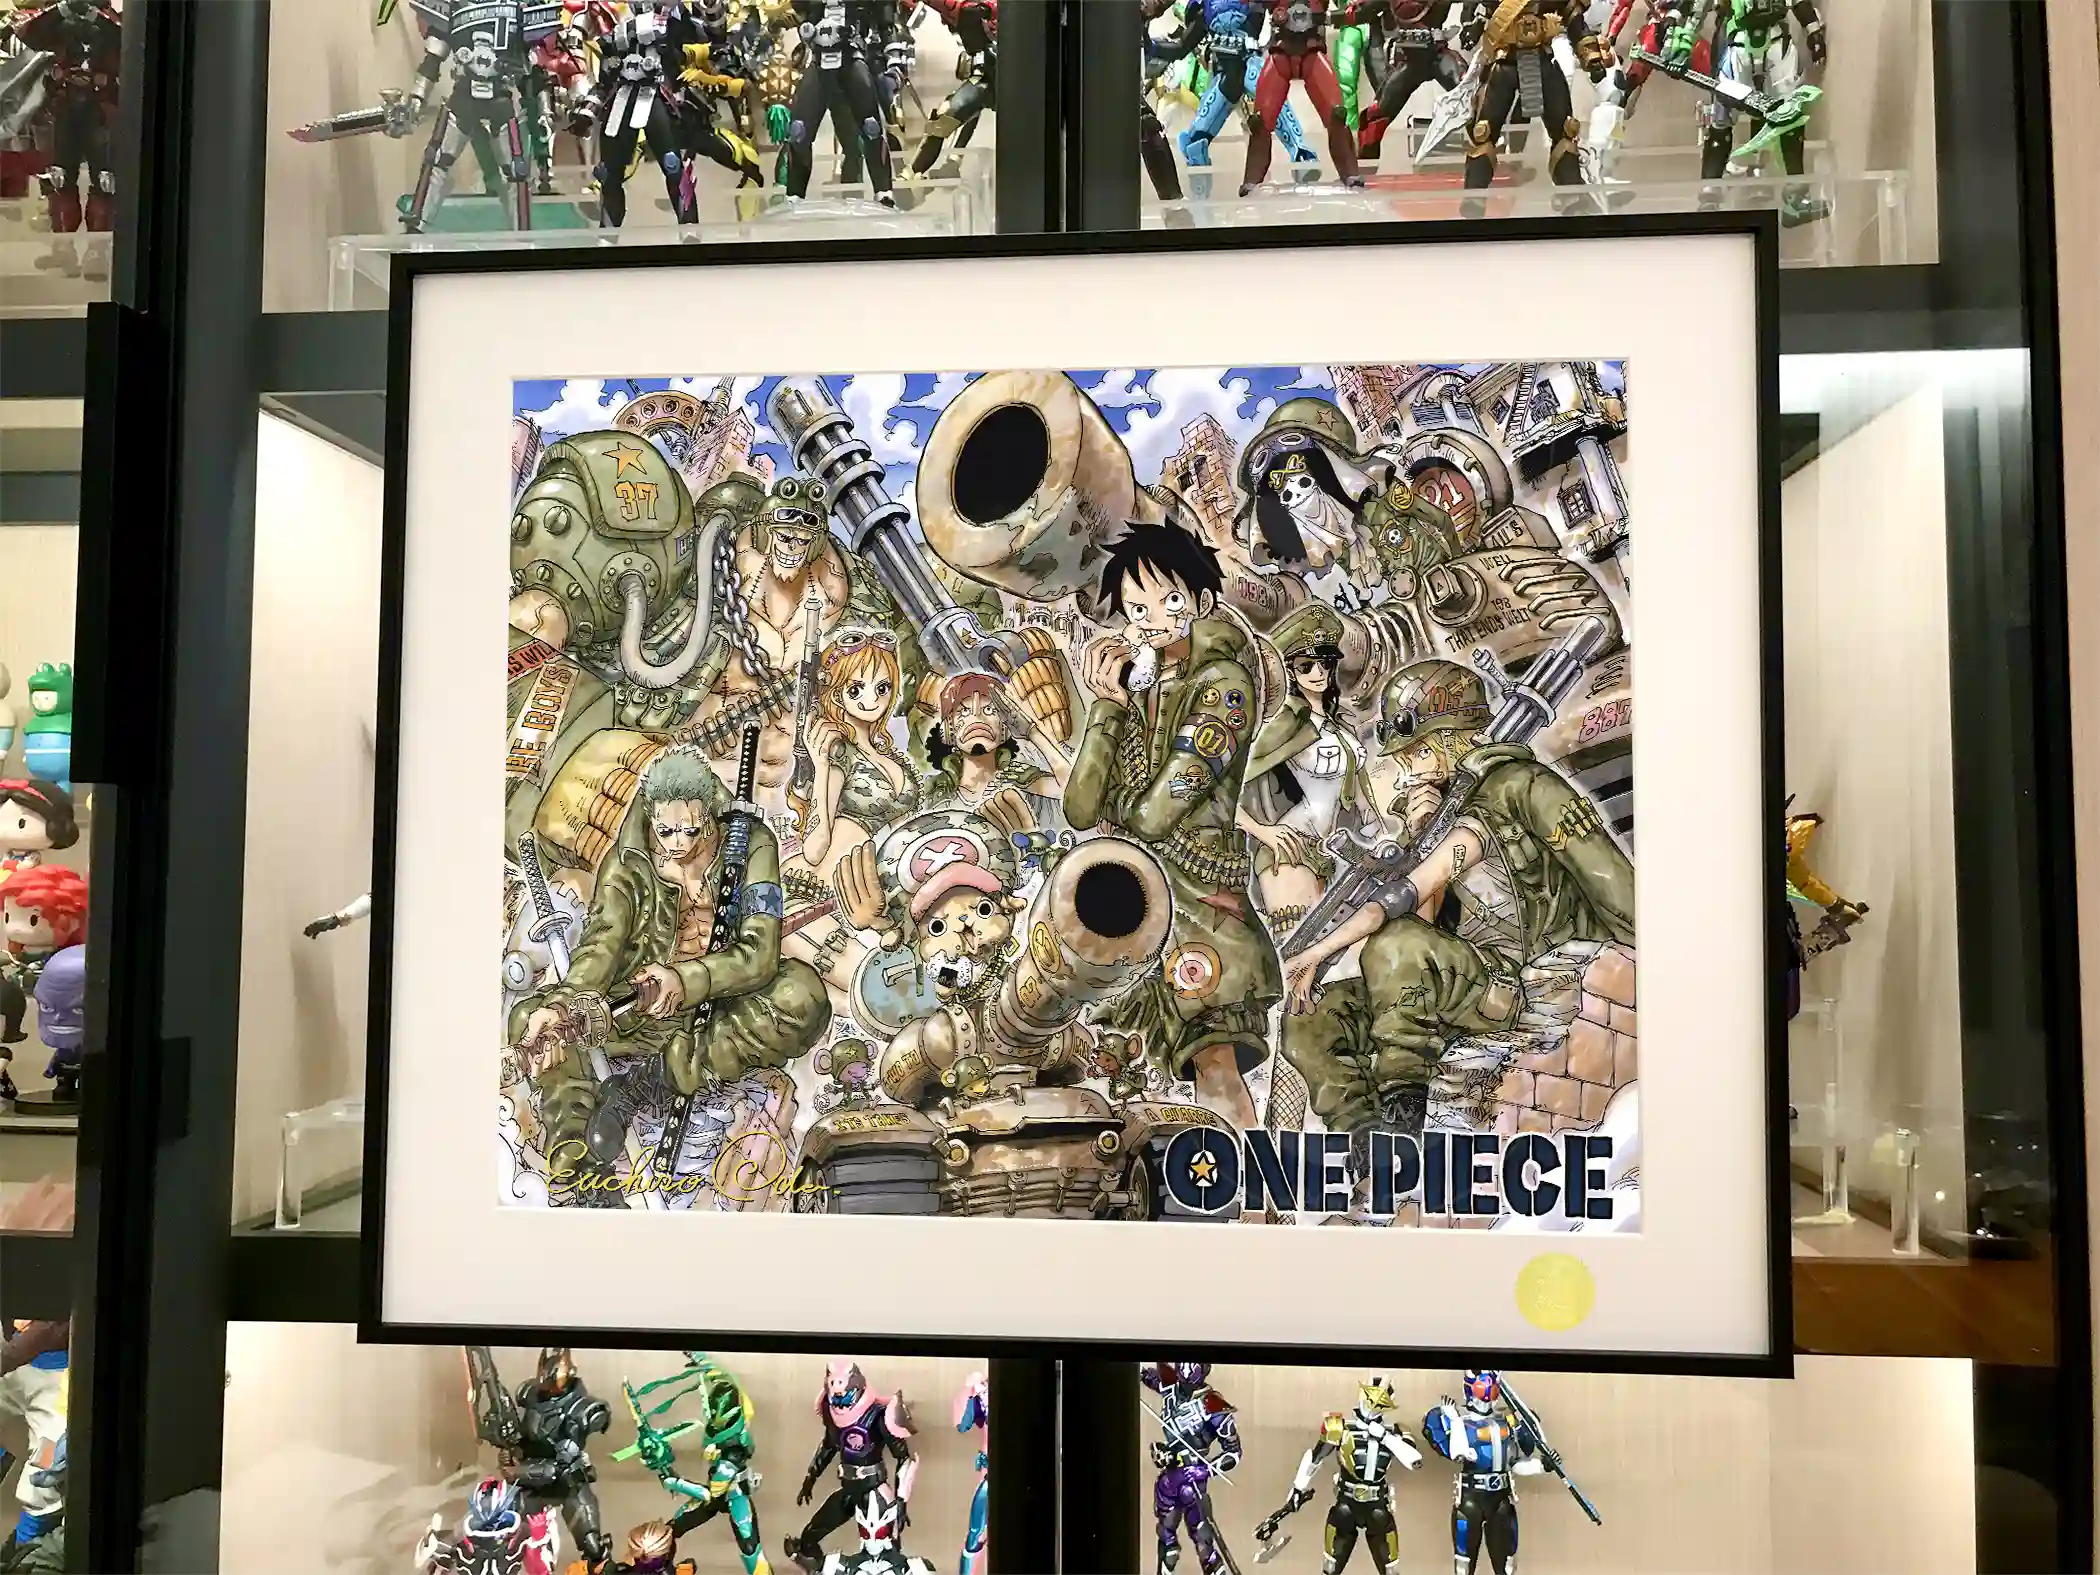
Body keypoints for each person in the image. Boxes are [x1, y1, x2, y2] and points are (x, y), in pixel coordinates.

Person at [1280, 659, 1633, 1144]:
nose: (1408, 769)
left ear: (1449, 740)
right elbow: (1424, 925)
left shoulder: (1520, 787)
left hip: (1529, 985)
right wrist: (1421, 836)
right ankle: (1364, 1141)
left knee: (1395, 945)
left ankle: (1403, 1117)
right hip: (1464, 988)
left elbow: (1613, 884)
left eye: (1418, 752)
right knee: (1313, 1020)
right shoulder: (1439, 811)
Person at [513, 749, 831, 1175]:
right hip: (635, 1013)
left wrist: (687, 980)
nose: (677, 843)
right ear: (650, 815)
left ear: (709, 813)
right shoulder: (625, 863)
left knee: (803, 995)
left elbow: (761, 953)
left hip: (726, 1012)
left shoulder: (753, 844)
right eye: (665, 831)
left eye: (690, 830)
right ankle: (575, 1163)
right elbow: (601, 945)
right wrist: (564, 1004)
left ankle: (649, 1082)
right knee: (532, 1019)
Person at [1064, 521, 1281, 1128]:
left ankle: (1252, 1182)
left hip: (1200, 904)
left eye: (1170, 601)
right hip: (1135, 906)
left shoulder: (1225, 685)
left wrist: (1124, 801)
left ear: (1202, 601)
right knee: (1130, 1077)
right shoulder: (1141, 690)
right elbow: (1081, 809)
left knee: (1214, 1065)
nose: (1154, 619)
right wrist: (1107, 705)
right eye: (1138, 609)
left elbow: (1154, 813)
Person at [1240, 603, 1381, 932]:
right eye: (1306, 666)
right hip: (1290, 849)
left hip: (1340, 850)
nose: (1318, 673)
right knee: (1300, 943)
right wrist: (1263, 832)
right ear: (1290, 671)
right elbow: (1221, 788)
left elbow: (1357, 791)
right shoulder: (1283, 724)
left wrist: (1377, 834)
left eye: (1325, 663)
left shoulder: (1340, 724)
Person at [795, 628, 921, 873]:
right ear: (837, 695)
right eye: (856, 690)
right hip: (836, 876)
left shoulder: (885, 752)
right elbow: (813, 851)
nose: (872, 700)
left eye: (882, 688)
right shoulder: (839, 752)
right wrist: (821, 767)